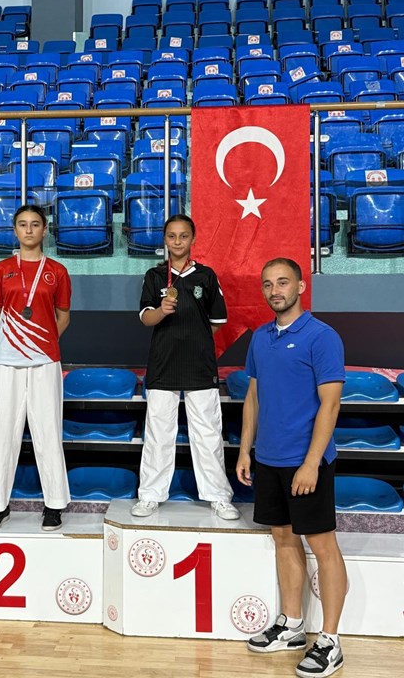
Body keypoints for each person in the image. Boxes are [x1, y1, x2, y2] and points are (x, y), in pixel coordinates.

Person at [236, 258, 347, 678]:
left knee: (323, 546)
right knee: (283, 539)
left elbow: (330, 404)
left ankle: (331, 641)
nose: (275, 290)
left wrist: (312, 463)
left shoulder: (322, 337)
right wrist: (245, 451)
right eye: (268, 284)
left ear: (300, 286)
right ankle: (292, 626)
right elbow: (253, 398)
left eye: (283, 282)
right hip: (268, 459)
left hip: (306, 462)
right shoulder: (260, 338)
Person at [131, 214, 239, 521]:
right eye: (171, 236)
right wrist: (161, 311)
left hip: (200, 365)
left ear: (193, 239)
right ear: (164, 240)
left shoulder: (206, 276)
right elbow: (145, 318)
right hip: (163, 363)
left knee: (207, 433)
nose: (177, 241)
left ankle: (218, 496)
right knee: (158, 433)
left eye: (183, 236)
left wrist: (195, 339)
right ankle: (150, 495)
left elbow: (216, 322)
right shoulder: (155, 275)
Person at [0, 204, 71, 533]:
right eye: (23, 224)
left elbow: (63, 316)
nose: (29, 230)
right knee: (4, 431)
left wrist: (40, 343)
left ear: (44, 230)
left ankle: (54, 505)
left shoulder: (57, 271)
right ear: (15, 230)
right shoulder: (0, 269)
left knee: (48, 431)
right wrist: (17, 342)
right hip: (7, 360)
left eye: (35, 224)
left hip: (45, 360)